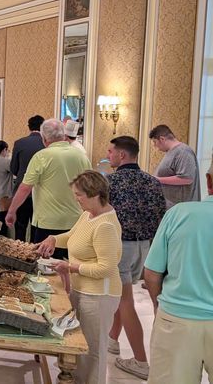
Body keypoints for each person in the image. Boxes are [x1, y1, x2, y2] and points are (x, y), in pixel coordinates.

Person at [37, 170, 122, 384]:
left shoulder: (105, 225)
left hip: (99, 295)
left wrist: (71, 267)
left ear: (95, 194)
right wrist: (54, 239)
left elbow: (106, 267)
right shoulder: (88, 214)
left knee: (93, 350)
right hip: (82, 290)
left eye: (79, 195)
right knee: (77, 343)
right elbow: (74, 236)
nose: (76, 199)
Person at [143, 155, 213, 384]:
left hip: (177, 318)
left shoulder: (179, 214)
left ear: (208, 181)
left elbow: (152, 273)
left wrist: (157, 304)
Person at [104, 136, 165, 380]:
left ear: (122, 155)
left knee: (125, 301)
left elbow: (104, 216)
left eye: (110, 152)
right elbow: (161, 214)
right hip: (144, 247)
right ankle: (112, 339)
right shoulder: (152, 182)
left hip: (121, 245)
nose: (108, 155)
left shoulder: (112, 181)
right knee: (122, 296)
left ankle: (140, 360)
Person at [5, 119, 91, 258]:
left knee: (45, 266)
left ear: (44, 138)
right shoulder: (81, 156)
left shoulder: (42, 156)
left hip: (48, 222)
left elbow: (24, 188)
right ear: (63, 135)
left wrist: (12, 211)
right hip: (75, 221)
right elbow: (90, 188)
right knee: (69, 265)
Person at [9, 115, 45, 242]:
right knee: (36, 228)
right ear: (43, 127)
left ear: (29, 127)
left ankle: (19, 256)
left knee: (20, 227)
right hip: (40, 192)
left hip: (21, 190)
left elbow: (13, 168)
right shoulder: (46, 144)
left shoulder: (20, 143)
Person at [149, 124, 200, 207]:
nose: (155, 146)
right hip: (172, 208)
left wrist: (157, 180)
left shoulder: (183, 151)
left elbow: (187, 178)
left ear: (162, 139)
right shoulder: (171, 152)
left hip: (181, 209)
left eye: (155, 142)